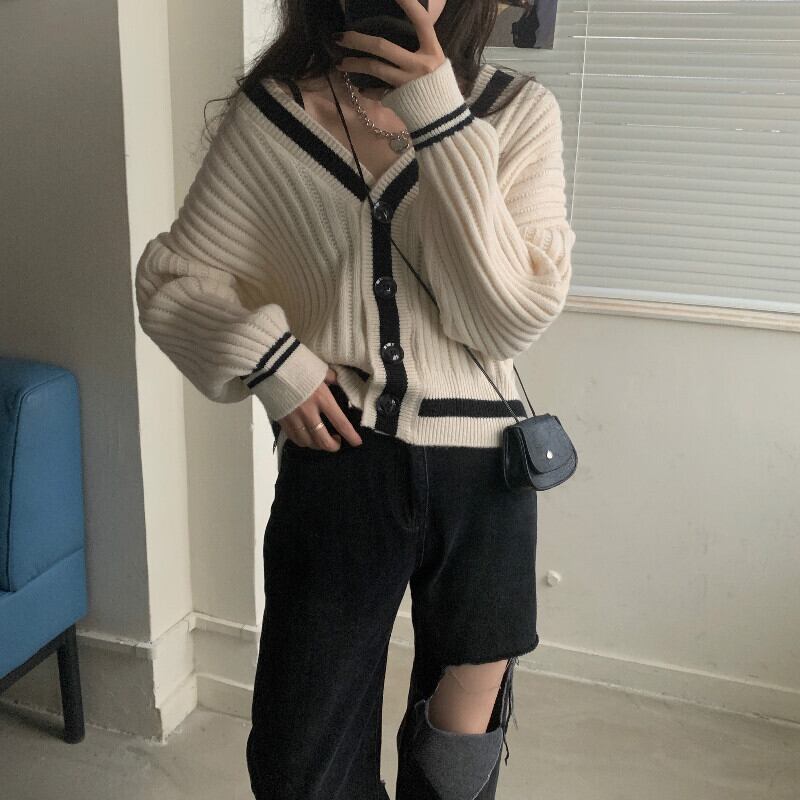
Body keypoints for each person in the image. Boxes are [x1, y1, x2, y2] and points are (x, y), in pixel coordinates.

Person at [134, 0, 576, 797]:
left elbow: (506, 317)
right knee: (300, 755)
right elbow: (174, 280)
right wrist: (277, 364)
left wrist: (439, 115)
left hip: (486, 475)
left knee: (461, 742)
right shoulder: (272, 118)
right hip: (339, 458)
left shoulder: (516, 113)